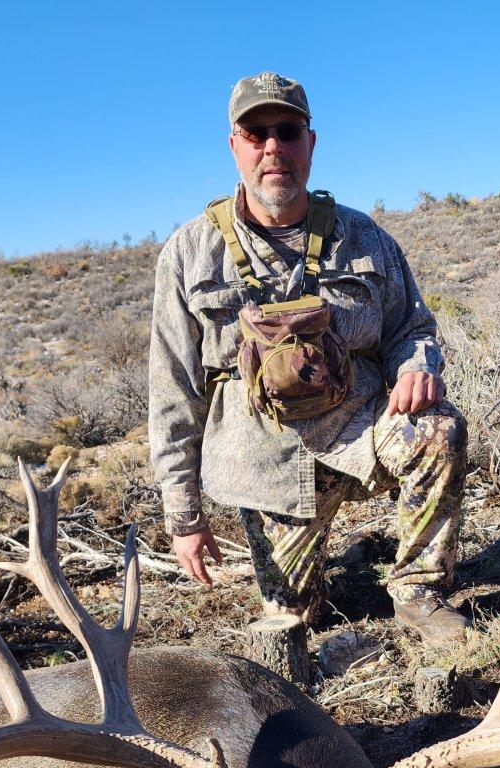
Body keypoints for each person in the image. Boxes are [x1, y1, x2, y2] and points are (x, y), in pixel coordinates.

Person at [148, 72, 469, 642]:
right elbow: (173, 390)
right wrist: (184, 518)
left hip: (361, 427)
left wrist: (417, 366)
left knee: (437, 430)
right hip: (263, 459)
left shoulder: (362, 236)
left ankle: (419, 590)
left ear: (310, 143)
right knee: (293, 621)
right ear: (234, 146)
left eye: (288, 131)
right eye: (256, 133)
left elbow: (411, 326)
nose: (274, 148)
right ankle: (305, 581)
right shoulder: (189, 253)